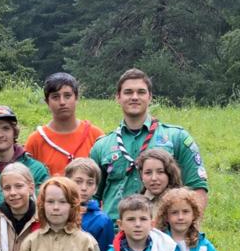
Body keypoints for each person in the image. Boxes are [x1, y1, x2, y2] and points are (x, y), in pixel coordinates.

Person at [88, 68, 208, 220]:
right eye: (128, 92)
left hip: (163, 234)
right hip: (115, 234)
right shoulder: (102, 146)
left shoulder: (177, 138)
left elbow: (197, 190)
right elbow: (91, 197)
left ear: (150, 97)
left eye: (141, 92)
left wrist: (186, 232)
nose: (134, 97)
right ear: (117, 97)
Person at [0, 106, 49, 216]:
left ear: (14, 133)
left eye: (6, 128)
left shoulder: (36, 169)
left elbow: (44, 208)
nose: (0, 135)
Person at [24, 73, 105, 177]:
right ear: (47, 102)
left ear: (76, 98)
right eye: (55, 97)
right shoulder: (36, 140)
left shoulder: (96, 136)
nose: (62, 102)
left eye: (67, 96)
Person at [65, 158, 114, 251]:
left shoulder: (102, 221)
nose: (84, 188)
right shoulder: (56, 212)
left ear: (95, 188)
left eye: (90, 183)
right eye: (78, 181)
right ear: (67, 182)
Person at [136, 149, 183, 216]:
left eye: (160, 172)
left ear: (169, 174)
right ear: (141, 175)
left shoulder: (181, 202)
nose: (154, 178)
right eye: (148, 173)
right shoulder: (135, 205)